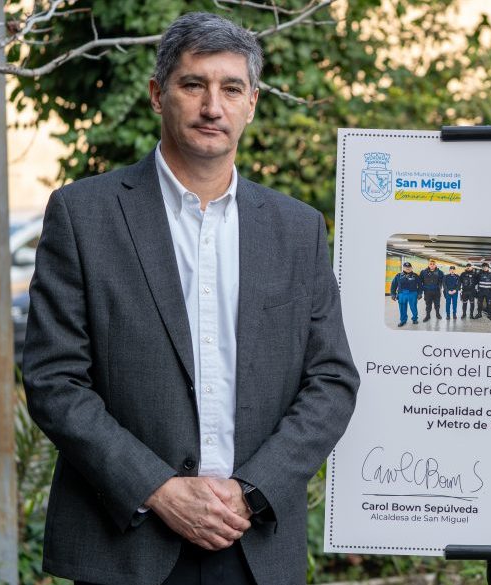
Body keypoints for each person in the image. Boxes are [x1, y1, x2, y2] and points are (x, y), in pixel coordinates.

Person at [21, 13, 360, 585]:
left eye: (231, 88)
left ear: (251, 103)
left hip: (254, 544)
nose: (213, 106)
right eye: (193, 85)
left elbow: (331, 381)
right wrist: (158, 489)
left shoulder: (296, 229)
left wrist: (251, 492)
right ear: (158, 95)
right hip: (124, 542)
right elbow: (54, 380)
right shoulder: (85, 216)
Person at [390, 261, 422, 327]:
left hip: (412, 294)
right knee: (402, 308)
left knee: (413, 307)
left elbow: (420, 285)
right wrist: (393, 294)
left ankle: (414, 319)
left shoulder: (415, 276)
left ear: (411, 268)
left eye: (409, 267)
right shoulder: (398, 276)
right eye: (406, 267)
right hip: (402, 294)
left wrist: (419, 293)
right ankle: (403, 320)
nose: (407, 268)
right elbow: (393, 285)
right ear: (403, 268)